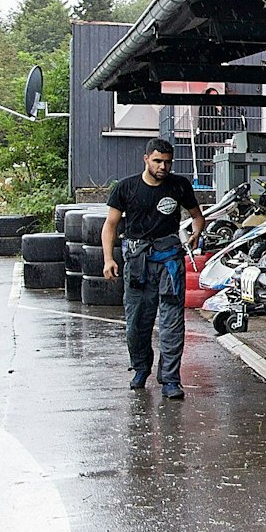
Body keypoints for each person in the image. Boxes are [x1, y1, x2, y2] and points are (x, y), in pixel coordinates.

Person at [102, 139, 206, 399]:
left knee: (172, 324)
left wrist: (196, 233)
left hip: (169, 262)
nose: (163, 166)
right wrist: (108, 258)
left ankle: (171, 379)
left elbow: (197, 216)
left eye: (168, 162)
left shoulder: (179, 185)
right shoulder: (126, 188)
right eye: (158, 161)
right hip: (138, 263)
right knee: (137, 323)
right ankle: (140, 369)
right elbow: (110, 225)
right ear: (146, 159)